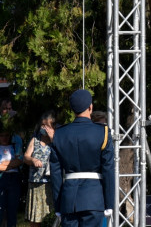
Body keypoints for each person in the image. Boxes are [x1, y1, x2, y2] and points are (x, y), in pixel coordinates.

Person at [49, 89, 116, 227]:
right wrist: (109, 203)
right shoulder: (102, 132)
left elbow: (55, 174)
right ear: (90, 107)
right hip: (94, 199)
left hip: (68, 201)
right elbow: (108, 169)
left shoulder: (59, 135)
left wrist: (58, 205)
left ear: (72, 110)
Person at [22, 113, 57, 227]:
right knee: (35, 218)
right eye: (42, 125)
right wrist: (32, 160)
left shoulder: (56, 141)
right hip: (35, 184)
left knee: (51, 217)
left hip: (50, 184)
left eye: (46, 125)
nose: (43, 128)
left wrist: (53, 138)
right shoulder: (35, 140)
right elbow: (26, 157)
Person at [0, 126, 23, 227]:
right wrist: (11, 163)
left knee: (12, 211)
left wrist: (3, 163)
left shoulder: (16, 146)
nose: (4, 138)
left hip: (14, 179)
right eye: (2, 135)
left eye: (7, 135)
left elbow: (20, 160)